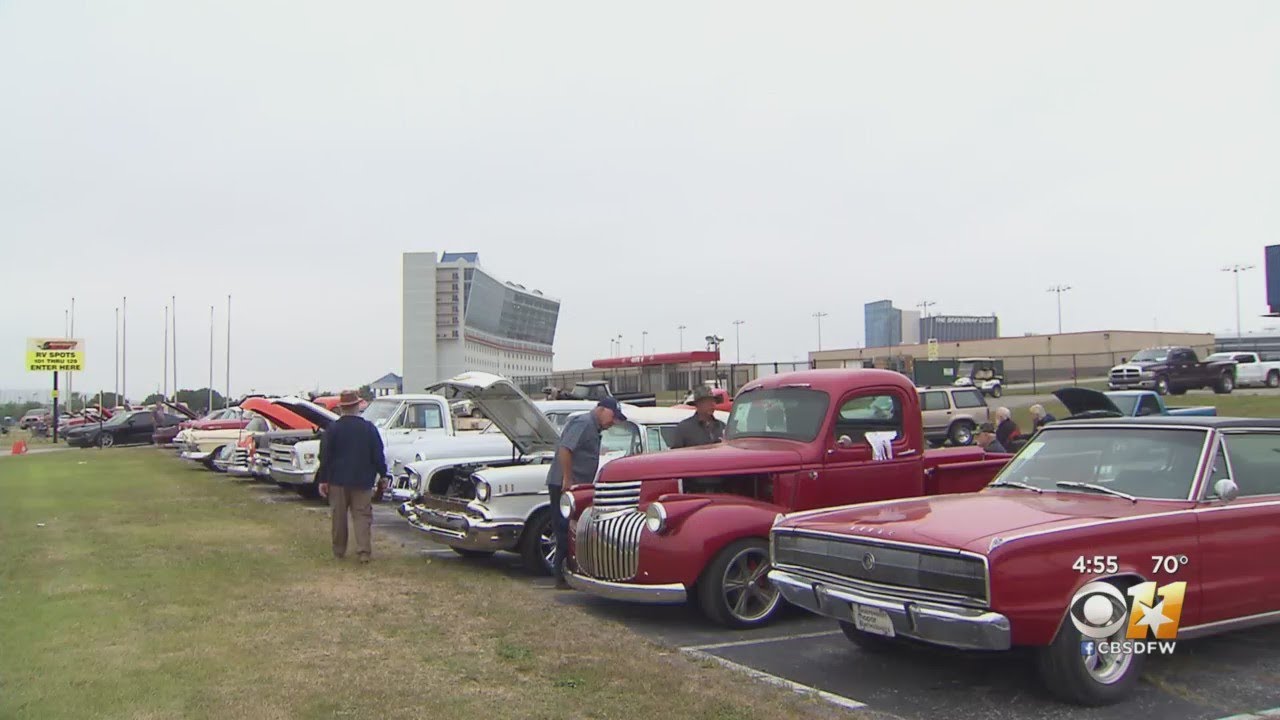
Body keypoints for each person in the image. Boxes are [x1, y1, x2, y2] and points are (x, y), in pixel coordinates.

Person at [545, 398, 625, 588]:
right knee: (564, 529)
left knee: (575, 530)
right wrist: (567, 478)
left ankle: (573, 572)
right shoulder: (583, 423)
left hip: (579, 487)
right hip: (565, 486)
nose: (612, 422)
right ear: (602, 409)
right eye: (612, 417)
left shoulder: (595, 428)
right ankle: (561, 576)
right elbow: (565, 449)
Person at [318, 389, 387, 563]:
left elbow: (324, 456)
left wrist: (323, 479)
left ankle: (339, 551)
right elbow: (378, 453)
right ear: (357, 406)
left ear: (341, 408)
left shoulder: (332, 429)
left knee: (339, 518)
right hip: (363, 480)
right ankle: (364, 552)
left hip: (337, 481)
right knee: (362, 517)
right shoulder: (369, 428)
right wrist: (383, 474)